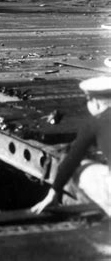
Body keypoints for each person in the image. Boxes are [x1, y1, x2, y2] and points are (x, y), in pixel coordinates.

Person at [32, 76, 111, 217]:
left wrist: (53, 192)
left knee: (80, 168)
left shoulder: (95, 123)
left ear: (96, 103)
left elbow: (71, 160)